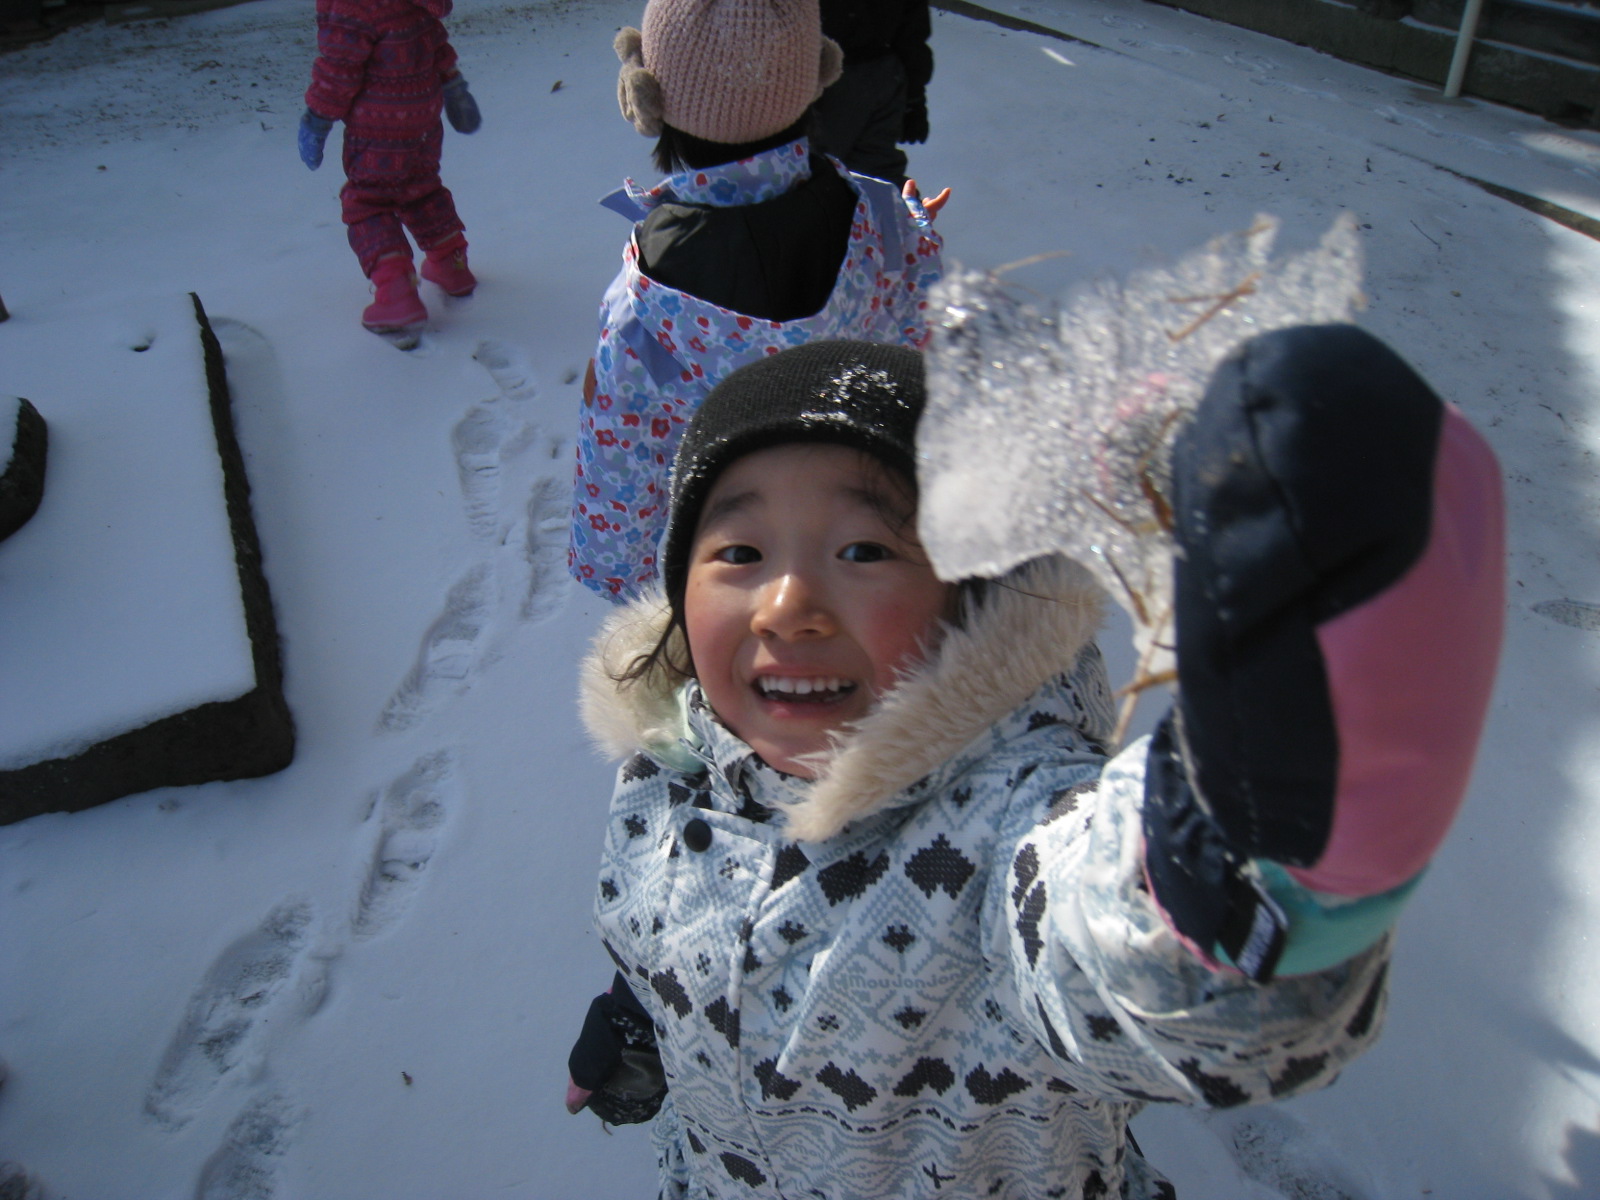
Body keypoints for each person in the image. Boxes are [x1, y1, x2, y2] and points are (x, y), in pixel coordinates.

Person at [564, 335, 1505, 1199]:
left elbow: (1113, 953)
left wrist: (1243, 862)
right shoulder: (668, 766)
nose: (786, 605)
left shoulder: (998, 829)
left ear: (968, 601)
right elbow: (662, 922)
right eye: (739, 551)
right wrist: (641, 1013)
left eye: (864, 549)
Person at [569, 0, 947, 601]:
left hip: (736, 563)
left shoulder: (644, 305)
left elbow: (622, 451)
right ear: (818, 76)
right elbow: (923, 338)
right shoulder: (878, 217)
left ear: (648, 102)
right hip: (862, 537)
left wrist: (624, 584)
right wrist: (913, 231)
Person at [298, 0, 482, 339]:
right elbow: (434, 42)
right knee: (422, 188)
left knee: (368, 202)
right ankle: (451, 263)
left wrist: (317, 119)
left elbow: (338, 69)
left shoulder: (353, 6)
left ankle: (395, 289)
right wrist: (454, 88)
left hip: (377, 129)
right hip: (423, 116)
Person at [813, 0, 933, 186]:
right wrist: (915, 98)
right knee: (872, 176)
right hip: (875, 73)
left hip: (834, 72)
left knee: (813, 172)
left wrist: (914, 99)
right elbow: (912, 29)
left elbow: (912, 27)